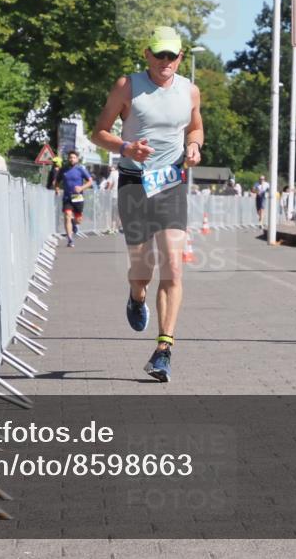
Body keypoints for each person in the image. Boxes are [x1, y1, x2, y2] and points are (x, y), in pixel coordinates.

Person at [90, 26, 203, 382]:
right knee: (143, 268)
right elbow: (100, 132)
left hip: (170, 183)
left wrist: (194, 147)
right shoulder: (128, 86)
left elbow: (196, 128)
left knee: (173, 264)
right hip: (134, 182)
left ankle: (163, 350)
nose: (165, 62)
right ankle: (136, 296)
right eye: (159, 55)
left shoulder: (190, 90)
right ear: (147, 55)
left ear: (180, 57)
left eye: (172, 56)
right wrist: (126, 148)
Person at [56, 149, 93, 247]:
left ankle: (74, 223)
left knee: (78, 220)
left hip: (77, 197)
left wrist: (81, 187)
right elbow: (57, 181)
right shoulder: (63, 169)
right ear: (68, 159)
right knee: (67, 215)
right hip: (67, 197)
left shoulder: (80, 169)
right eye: (70, 158)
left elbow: (90, 181)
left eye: (74, 158)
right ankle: (70, 239)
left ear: (77, 159)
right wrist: (57, 188)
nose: (72, 159)